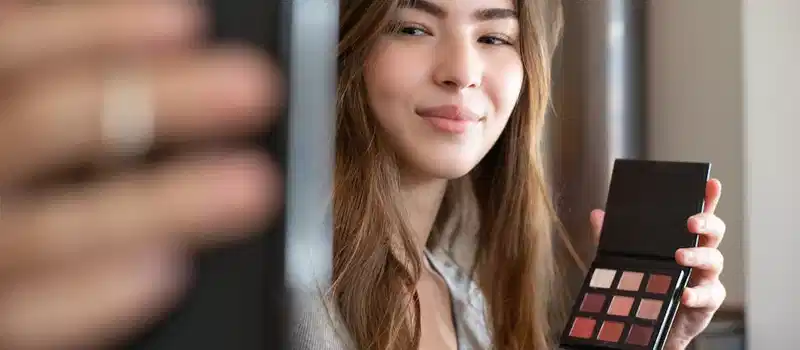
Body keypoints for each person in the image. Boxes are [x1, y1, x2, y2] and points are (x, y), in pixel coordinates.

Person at [0, 1, 727, 350]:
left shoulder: (459, 287)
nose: (461, 72)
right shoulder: (287, 296)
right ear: (349, 54)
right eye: (413, 28)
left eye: (494, 36)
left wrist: (654, 339)